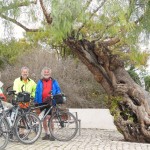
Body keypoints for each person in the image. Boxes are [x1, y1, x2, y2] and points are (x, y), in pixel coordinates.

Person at [34, 67, 61, 141]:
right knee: (43, 119)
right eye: (45, 72)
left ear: (50, 74)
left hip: (51, 102)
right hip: (41, 102)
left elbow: (58, 89)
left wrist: (58, 95)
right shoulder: (40, 81)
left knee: (50, 118)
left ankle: (52, 134)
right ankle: (47, 134)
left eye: (47, 72)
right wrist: (36, 100)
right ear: (43, 73)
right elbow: (36, 91)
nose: (46, 74)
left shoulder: (54, 81)